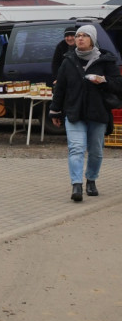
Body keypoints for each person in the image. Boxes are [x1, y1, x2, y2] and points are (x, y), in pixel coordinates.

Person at [49, 25, 122, 201]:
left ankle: (91, 180)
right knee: (76, 148)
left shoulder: (106, 61)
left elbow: (118, 85)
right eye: (78, 35)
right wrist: (55, 111)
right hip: (74, 112)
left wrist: (103, 80)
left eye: (85, 36)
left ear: (92, 40)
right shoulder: (68, 60)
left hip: (98, 112)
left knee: (96, 150)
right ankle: (76, 185)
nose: (80, 38)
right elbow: (60, 89)